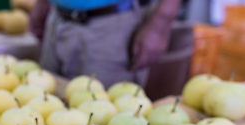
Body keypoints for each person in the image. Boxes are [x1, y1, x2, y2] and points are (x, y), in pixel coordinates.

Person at [30, 0, 182, 88]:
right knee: (48, 99)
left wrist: (162, 21)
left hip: (114, 21)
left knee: (100, 116)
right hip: (57, 15)